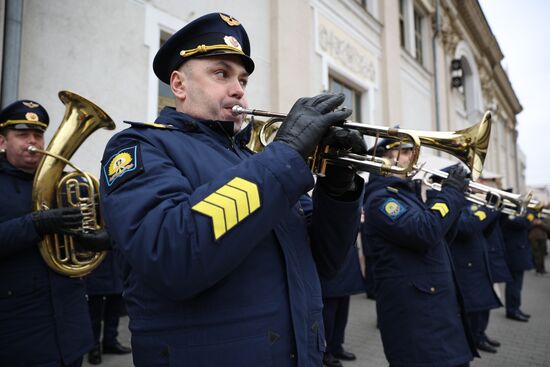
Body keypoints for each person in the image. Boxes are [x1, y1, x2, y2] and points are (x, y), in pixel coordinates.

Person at [98, 12, 366, 367]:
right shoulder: (141, 146)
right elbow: (170, 254)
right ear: (178, 85)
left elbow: (327, 262)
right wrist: (285, 154)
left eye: (242, 78)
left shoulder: (259, 160)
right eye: (221, 73)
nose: (238, 88)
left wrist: (338, 187)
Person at [0, 100, 103, 366]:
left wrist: (97, 239)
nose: (32, 142)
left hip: (71, 328)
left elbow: (89, 232)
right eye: (22, 135)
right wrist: (36, 224)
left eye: (38, 134)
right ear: (2, 142)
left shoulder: (63, 182)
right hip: (18, 331)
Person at [363, 140, 476, 367]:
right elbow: (424, 232)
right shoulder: (381, 199)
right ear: (383, 157)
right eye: (404, 152)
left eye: (412, 151)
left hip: (435, 317)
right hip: (418, 322)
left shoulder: (407, 195)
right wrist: (451, 194)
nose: (411, 157)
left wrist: (445, 196)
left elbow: (439, 239)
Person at [446, 180, 502, 354]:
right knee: (474, 306)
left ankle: (481, 334)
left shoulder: (469, 201)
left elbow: (482, 229)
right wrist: (489, 209)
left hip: (478, 259)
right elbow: (466, 227)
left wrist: (493, 210)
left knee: (483, 303)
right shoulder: (452, 201)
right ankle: (474, 338)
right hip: (465, 263)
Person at [319, 237, 364, 367]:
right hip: (329, 260)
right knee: (329, 312)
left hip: (346, 258)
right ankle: (325, 350)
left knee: (342, 310)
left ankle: (337, 347)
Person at [86, 250, 132, 365]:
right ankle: (93, 347)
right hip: (96, 262)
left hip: (115, 264)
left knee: (114, 308)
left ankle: (110, 342)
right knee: (94, 313)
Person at [500, 199, 535, 322]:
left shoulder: (513, 214)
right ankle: (512, 310)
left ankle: (516, 308)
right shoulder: (507, 215)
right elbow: (524, 223)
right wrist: (532, 212)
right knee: (514, 285)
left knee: (517, 285)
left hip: (518, 252)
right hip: (513, 254)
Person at [528, 204, 550, 275]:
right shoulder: (531, 215)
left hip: (543, 237)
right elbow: (527, 223)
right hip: (533, 236)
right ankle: (538, 269)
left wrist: (541, 223)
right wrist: (534, 222)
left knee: (542, 254)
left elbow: (548, 227)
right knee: (536, 253)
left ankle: (542, 269)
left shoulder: (545, 216)